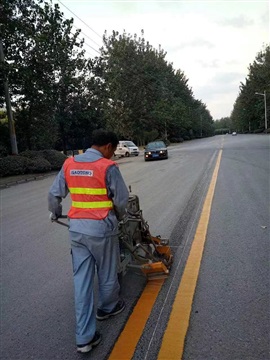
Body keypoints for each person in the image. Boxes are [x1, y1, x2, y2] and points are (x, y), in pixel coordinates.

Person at [48, 129, 129, 353]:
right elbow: (121, 200)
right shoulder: (107, 167)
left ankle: (84, 338)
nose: (111, 155)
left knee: (82, 281)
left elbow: (54, 195)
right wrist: (118, 217)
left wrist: (55, 213)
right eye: (112, 150)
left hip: (77, 231)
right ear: (107, 147)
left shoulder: (69, 163)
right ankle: (107, 308)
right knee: (107, 271)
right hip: (102, 230)